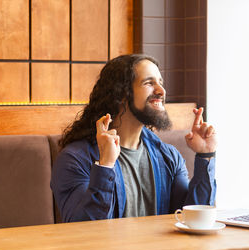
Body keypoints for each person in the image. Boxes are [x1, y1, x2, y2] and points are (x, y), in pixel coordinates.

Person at [51, 54, 217, 222]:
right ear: (122, 93)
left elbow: (193, 220)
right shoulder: (75, 159)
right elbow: (83, 228)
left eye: (160, 83)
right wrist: (105, 166)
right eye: (149, 83)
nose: (161, 91)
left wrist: (205, 156)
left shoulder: (168, 157)